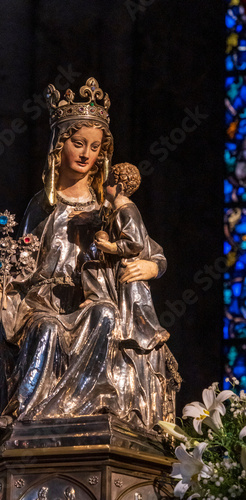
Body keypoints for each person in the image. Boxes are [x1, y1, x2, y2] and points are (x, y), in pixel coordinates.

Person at [0, 78, 177, 445]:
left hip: (92, 301)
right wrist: (1, 290)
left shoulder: (109, 204)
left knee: (105, 316)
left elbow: (151, 251)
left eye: (95, 147)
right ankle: (29, 416)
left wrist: (150, 267)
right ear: (59, 145)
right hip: (45, 304)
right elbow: (20, 263)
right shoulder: (42, 206)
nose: (86, 153)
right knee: (48, 330)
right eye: (78, 143)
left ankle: (95, 406)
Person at [82, 162, 181, 429]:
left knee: (134, 331)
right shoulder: (110, 212)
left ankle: (129, 415)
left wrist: (154, 266)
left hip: (125, 287)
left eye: (107, 182)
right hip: (99, 297)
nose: (103, 186)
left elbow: (145, 246)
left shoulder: (124, 210)